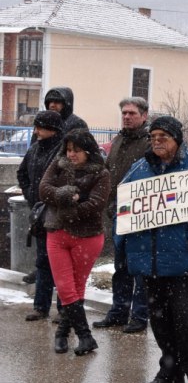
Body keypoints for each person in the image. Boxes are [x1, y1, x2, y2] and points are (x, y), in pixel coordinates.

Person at [115, 116, 188, 383]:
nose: (157, 140)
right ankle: (170, 374)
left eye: (163, 135)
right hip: (149, 262)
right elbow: (122, 210)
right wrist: (123, 248)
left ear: (177, 138)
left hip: (183, 263)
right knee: (161, 323)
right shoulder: (138, 170)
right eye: (153, 135)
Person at [39, 129, 110, 355]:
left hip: (87, 236)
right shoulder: (58, 164)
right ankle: (85, 336)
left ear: (88, 151)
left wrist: (67, 209)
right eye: (69, 149)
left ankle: (62, 333)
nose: (71, 154)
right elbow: (44, 190)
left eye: (77, 150)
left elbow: (96, 204)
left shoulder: (101, 173)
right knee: (65, 287)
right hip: (56, 233)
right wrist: (68, 195)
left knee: (76, 287)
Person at [93, 97, 151, 334]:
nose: (127, 117)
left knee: (140, 269)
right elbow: (108, 173)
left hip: (141, 214)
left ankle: (139, 316)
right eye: (124, 113)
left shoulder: (149, 143)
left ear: (144, 116)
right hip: (118, 213)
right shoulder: (117, 140)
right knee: (121, 267)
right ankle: (118, 311)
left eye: (132, 113)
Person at [17, 110, 64, 321]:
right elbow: (22, 173)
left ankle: (66, 310)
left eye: (40, 127)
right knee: (43, 261)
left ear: (52, 130)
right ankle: (41, 306)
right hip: (39, 215)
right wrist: (30, 196)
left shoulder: (63, 151)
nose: (36, 131)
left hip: (59, 215)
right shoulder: (35, 149)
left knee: (62, 264)